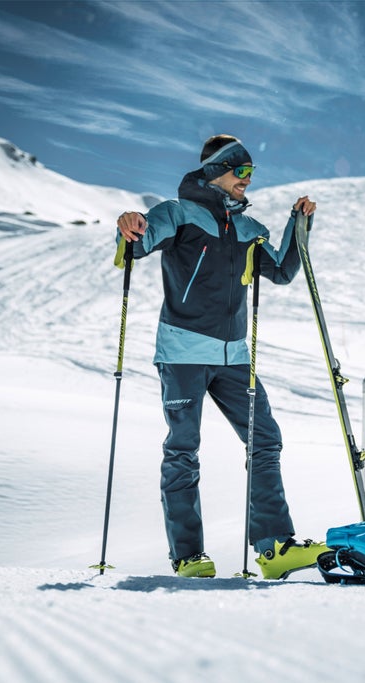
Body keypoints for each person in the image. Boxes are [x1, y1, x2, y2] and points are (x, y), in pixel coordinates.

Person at [115, 134, 326, 579]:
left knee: (265, 439)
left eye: (251, 172)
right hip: (183, 352)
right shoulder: (176, 214)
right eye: (241, 171)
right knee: (183, 450)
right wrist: (130, 223)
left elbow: (283, 272)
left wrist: (298, 223)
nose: (248, 180)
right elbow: (139, 243)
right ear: (217, 171)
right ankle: (189, 555)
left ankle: (275, 548)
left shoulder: (248, 229)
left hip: (234, 358)